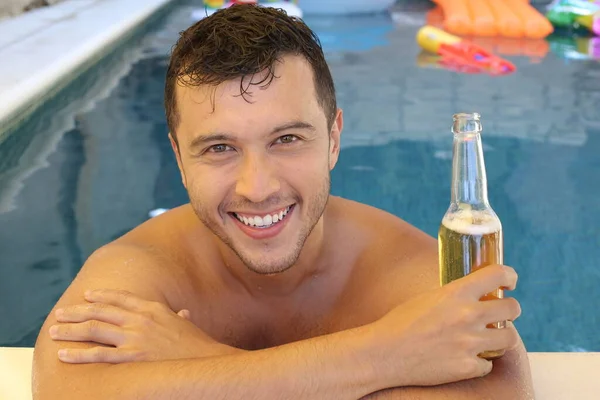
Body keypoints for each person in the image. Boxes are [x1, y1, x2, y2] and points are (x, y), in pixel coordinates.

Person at [32, 4, 533, 399]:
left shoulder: (398, 265)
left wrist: (198, 360)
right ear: (179, 158)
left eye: (287, 139)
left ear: (334, 138)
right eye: (219, 148)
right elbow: (65, 389)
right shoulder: (143, 267)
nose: (257, 187)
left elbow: (500, 394)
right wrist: (384, 355)